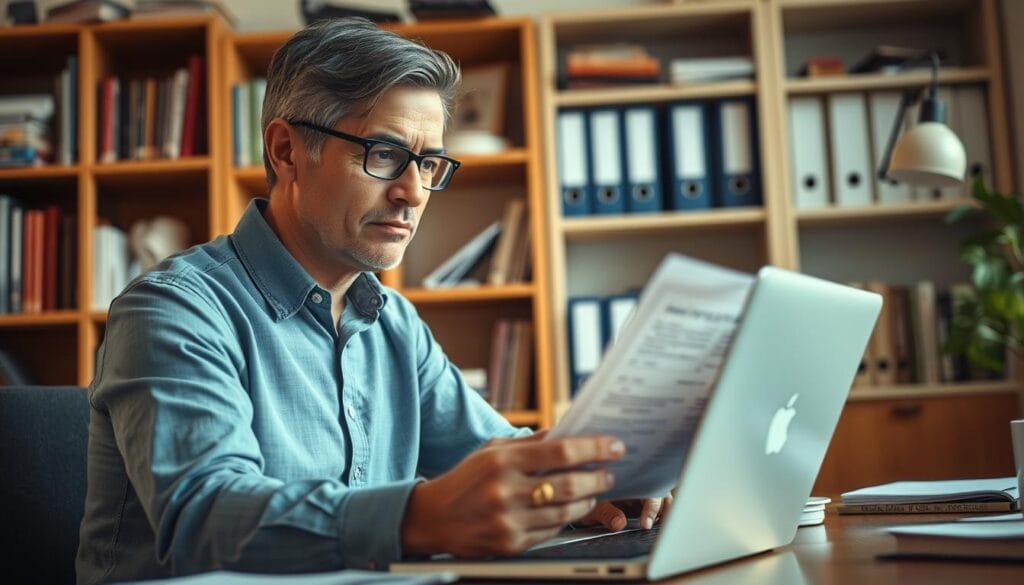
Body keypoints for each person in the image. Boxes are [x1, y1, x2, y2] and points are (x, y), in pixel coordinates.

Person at [76, 18, 668, 584]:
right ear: (286, 152)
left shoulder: (392, 322)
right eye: (383, 154)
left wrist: (585, 481)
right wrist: (420, 515)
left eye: (430, 163)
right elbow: (203, 517)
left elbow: (492, 453)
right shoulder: (174, 310)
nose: (413, 192)